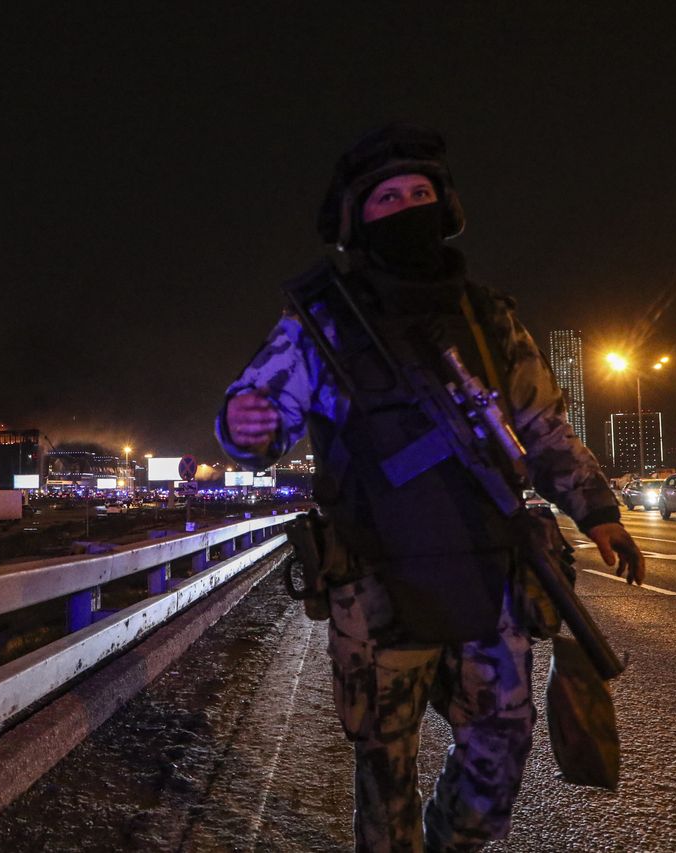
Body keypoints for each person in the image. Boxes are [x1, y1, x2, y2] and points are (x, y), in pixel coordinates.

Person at [215, 123, 643, 852]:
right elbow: (257, 422)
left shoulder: (487, 315)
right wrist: (244, 422)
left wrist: (598, 510)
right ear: (356, 217)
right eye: (388, 196)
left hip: (491, 571)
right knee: (385, 772)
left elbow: (544, 427)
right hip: (377, 581)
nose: (408, 204)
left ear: (446, 206)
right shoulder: (323, 322)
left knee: (498, 759)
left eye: (421, 191)